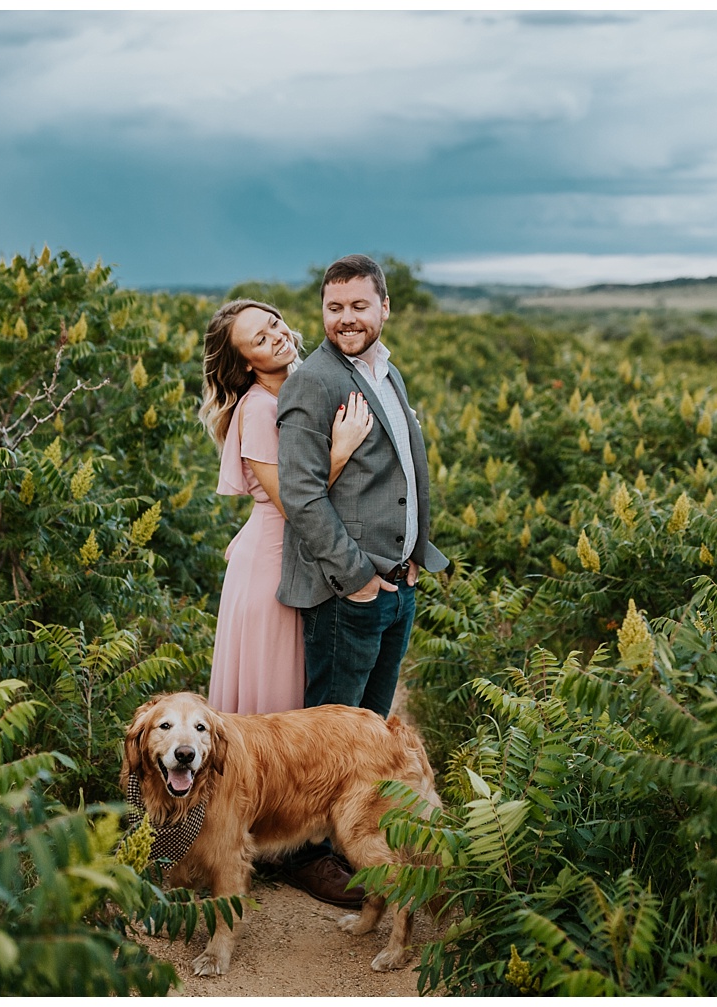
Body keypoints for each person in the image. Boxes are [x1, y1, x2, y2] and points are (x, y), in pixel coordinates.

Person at [272, 254, 448, 904]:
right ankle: (307, 854)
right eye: (334, 307)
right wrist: (358, 580)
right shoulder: (312, 383)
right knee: (329, 734)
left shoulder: (386, 370)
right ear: (323, 311)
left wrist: (413, 562)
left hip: (397, 585)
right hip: (351, 594)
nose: (346, 318)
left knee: (370, 728)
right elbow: (302, 495)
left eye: (358, 306)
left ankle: (358, 834)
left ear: (383, 307)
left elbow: (402, 471)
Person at [199, 298, 374, 717]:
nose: (277, 336)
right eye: (260, 339)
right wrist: (342, 450)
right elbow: (294, 500)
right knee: (277, 705)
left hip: (292, 550)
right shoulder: (259, 409)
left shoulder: (300, 386)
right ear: (245, 363)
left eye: (274, 323)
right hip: (271, 567)